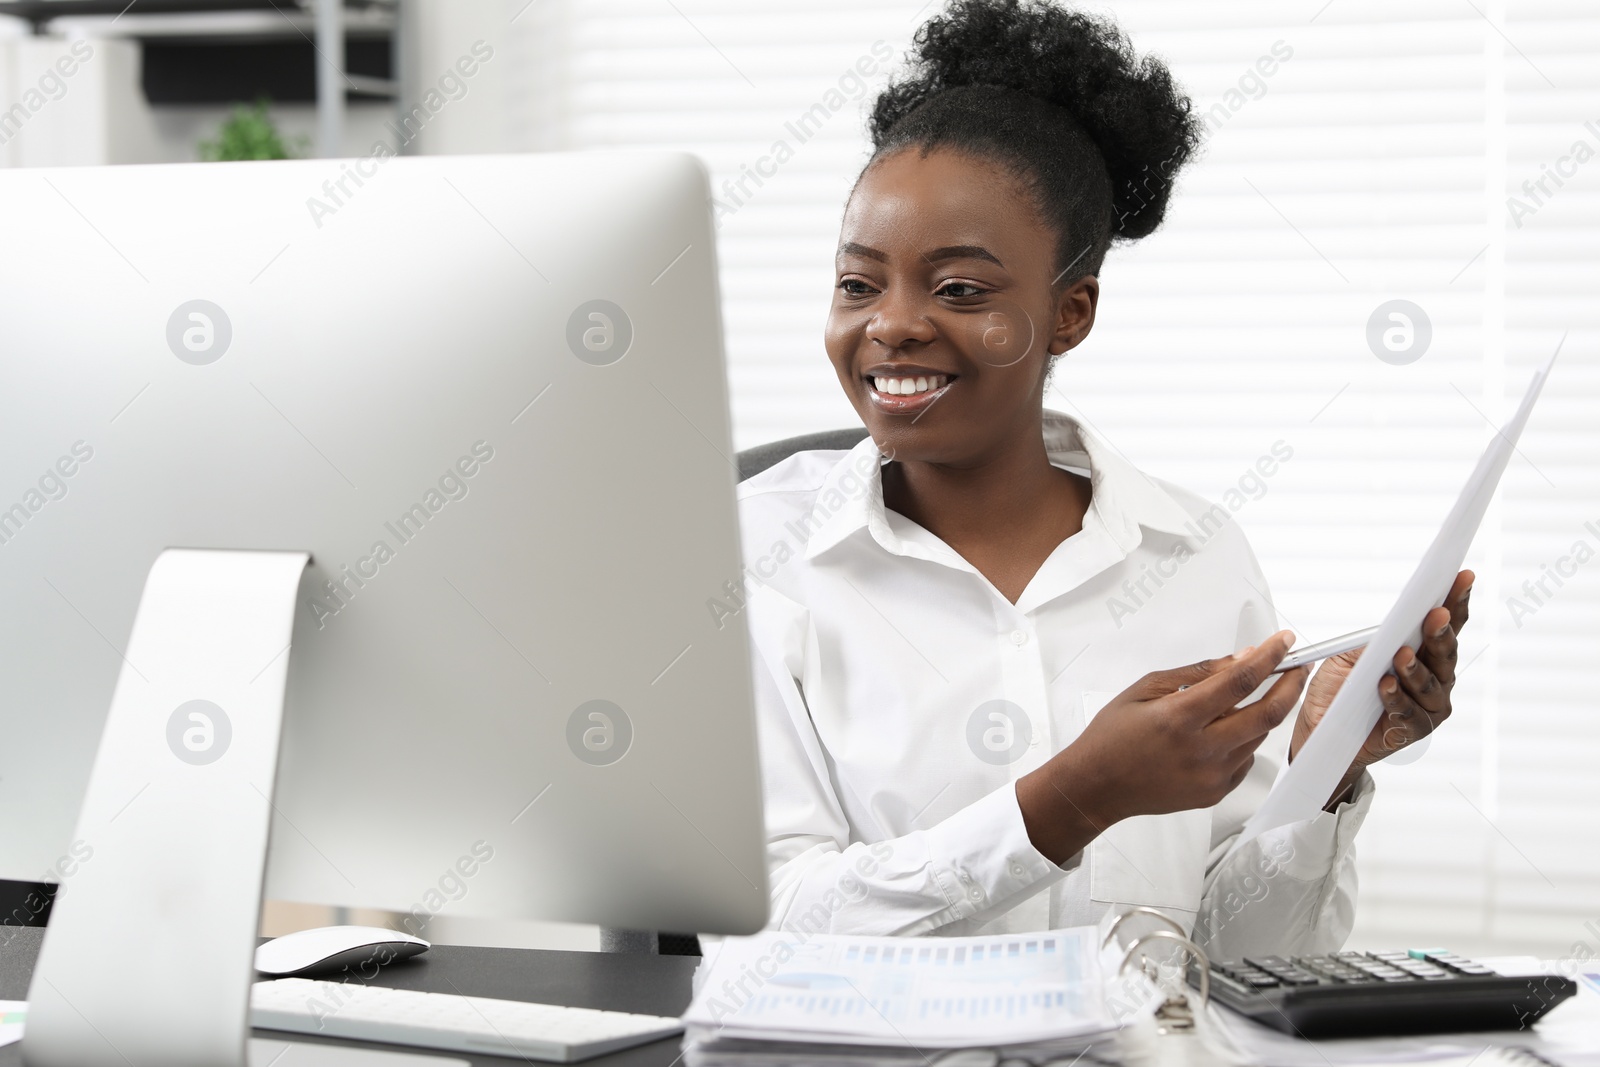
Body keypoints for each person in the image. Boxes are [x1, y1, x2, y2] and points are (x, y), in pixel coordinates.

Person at [735, 0, 1473, 959]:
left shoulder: (1197, 557)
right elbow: (765, 932)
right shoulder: (758, 557)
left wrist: (1323, 774)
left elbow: (1244, 961)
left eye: (959, 288)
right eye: (859, 282)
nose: (893, 324)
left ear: (1070, 312)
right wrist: (1076, 794)